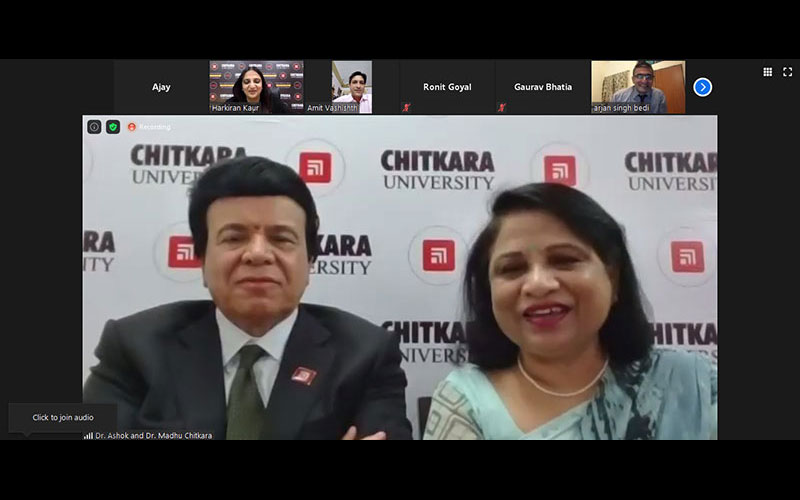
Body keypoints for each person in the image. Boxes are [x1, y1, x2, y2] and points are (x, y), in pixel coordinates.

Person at [84, 156, 412, 440]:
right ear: (201, 259)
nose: (257, 254)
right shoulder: (133, 348)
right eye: (234, 238)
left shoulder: (366, 356)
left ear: (310, 261)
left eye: (281, 239)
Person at [424, 183, 716, 440]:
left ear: (612, 279)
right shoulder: (465, 401)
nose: (538, 284)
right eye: (512, 268)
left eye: (564, 260)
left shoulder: (693, 385)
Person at [225, 66, 290, 114]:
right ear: (241, 87)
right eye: (247, 82)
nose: (252, 86)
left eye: (256, 81)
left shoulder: (274, 102)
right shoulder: (231, 104)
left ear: (262, 85)